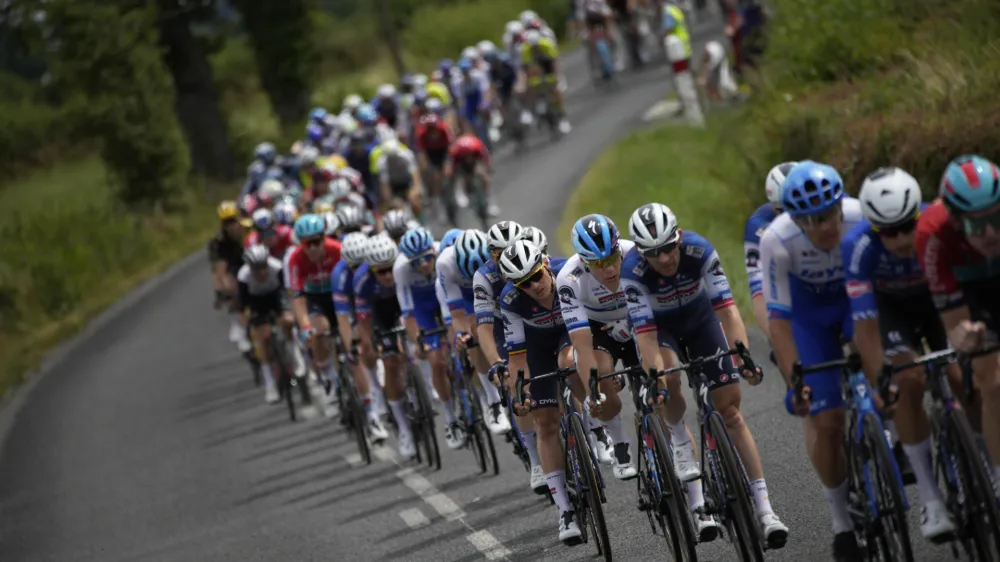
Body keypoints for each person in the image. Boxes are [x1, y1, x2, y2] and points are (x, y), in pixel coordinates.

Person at [622, 202, 788, 544]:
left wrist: (742, 355)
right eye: (654, 253)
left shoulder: (700, 250)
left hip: (701, 322)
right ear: (640, 252)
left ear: (679, 236)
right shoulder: (632, 273)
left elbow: (727, 311)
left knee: (731, 412)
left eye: (669, 247)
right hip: (661, 330)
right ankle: (681, 445)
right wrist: (654, 379)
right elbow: (646, 338)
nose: (665, 258)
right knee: (667, 380)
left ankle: (765, 510)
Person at [842, 167, 956, 539]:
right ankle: (931, 498)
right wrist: (881, 381)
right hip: (892, 309)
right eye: (889, 232)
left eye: (909, 226)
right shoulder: (857, 247)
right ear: (874, 227)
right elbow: (865, 326)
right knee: (905, 382)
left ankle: (989, 466)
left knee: (962, 373)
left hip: (936, 298)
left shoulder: (939, 223)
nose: (903, 238)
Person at [759, 161, 865, 560]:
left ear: (841, 205)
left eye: (830, 214)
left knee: (890, 369)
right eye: (812, 220)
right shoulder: (777, 239)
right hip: (809, 318)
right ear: (795, 219)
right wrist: (795, 381)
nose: (825, 227)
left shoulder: (859, 215)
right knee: (828, 423)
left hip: (855, 301)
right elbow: (780, 323)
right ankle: (841, 521)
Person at [916, 154, 1000, 484]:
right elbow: (955, 325)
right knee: (991, 381)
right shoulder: (933, 234)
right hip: (967, 291)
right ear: (954, 218)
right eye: (977, 224)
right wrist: (964, 335)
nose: (991, 232)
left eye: (996, 217)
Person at [499, 239, 581, 543]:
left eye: (535, 276)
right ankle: (564, 511)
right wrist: (521, 393)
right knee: (545, 424)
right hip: (534, 348)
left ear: (544, 264)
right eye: (524, 284)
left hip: (567, 334)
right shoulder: (510, 301)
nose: (534, 286)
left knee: (572, 361)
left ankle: (597, 431)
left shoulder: (567, 274)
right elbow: (518, 360)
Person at [556, 214, 637, 480]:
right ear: (583, 261)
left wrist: (629, 326)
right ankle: (620, 442)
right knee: (600, 378)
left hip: (638, 320)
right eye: (598, 264)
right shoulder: (569, 278)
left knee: (658, 386)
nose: (610, 269)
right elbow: (581, 344)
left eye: (612, 258)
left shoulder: (635, 255)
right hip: (600, 330)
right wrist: (592, 393)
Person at [436, 229, 512, 435]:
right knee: (473, 334)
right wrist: (463, 335)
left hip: (491, 284)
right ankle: (493, 401)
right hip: (463, 296)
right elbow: (457, 314)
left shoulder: (494, 251)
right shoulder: (445, 264)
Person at [354, 234, 417, 458]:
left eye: (390, 268)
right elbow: (363, 322)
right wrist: (369, 344)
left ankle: (422, 382)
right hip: (380, 313)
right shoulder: (362, 281)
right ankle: (403, 429)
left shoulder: (404, 267)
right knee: (390, 363)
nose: (388, 275)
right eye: (381, 271)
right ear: (371, 270)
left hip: (404, 304)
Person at [396, 228, 457, 448]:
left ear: (433, 250)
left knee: (461, 344)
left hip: (446, 300)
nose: (423, 264)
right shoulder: (400, 269)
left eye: (426, 257)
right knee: (436, 362)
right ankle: (450, 418)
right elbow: (408, 312)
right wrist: (419, 340)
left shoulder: (444, 253)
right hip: (421, 308)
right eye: (416, 261)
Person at [332, 232, 390, 441]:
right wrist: (351, 348)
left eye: (361, 265)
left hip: (370, 304)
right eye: (353, 267)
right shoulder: (340, 275)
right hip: (350, 308)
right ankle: (372, 413)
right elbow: (343, 319)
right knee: (356, 353)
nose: (357, 271)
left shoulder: (370, 273)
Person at [287, 214, 344, 394]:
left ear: (324, 237)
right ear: (300, 243)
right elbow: (297, 298)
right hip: (314, 298)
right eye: (307, 244)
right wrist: (305, 327)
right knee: (320, 330)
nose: (312, 248)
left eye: (316, 242)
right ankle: (326, 372)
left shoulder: (337, 250)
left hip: (337, 294)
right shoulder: (295, 259)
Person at [744, 161, 797, 337]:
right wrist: (775, 339)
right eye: (785, 210)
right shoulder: (757, 226)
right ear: (774, 206)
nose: (793, 217)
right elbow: (758, 289)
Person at [238, 245, 296, 404]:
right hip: (256, 301)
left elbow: (288, 292)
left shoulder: (276, 267)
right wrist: (244, 331)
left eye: (263, 267)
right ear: (250, 268)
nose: (262, 272)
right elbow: (243, 307)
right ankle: (270, 384)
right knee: (262, 337)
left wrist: (289, 311)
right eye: (257, 269)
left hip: (275, 296)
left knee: (288, 321)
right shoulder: (243, 277)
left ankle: (294, 352)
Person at [209, 201, 252, 353]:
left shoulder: (249, 227)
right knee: (233, 284)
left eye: (233, 220)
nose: (231, 226)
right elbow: (218, 268)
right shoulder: (218, 242)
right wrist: (221, 290)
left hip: (253, 262)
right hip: (235, 267)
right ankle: (239, 322)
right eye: (227, 223)